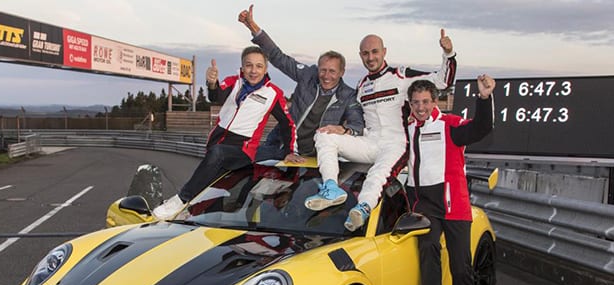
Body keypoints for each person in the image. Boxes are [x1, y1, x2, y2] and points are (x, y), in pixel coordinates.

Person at [305, 31, 457, 231]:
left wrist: (448, 53)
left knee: (377, 175)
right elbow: (355, 120)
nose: (370, 57)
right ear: (361, 56)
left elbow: (442, 82)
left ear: (384, 52)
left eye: (375, 52)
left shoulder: (401, 75)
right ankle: (331, 188)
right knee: (324, 134)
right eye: (365, 53)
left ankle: (363, 207)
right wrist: (343, 130)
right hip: (369, 142)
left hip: (396, 144)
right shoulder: (361, 85)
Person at [406, 76, 495, 285]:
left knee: (461, 271)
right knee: (428, 249)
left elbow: (481, 128)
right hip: (425, 206)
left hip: (454, 205)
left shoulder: (450, 125)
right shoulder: (406, 128)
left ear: (435, 102)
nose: (420, 107)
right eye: (415, 102)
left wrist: (484, 99)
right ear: (410, 104)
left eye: (425, 102)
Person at [153, 46, 296, 220]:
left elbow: (287, 123)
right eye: (249, 65)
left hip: (243, 150)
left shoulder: (273, 93)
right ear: (242, 67)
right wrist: (212, 83)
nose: (253, 70)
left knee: (218, 153)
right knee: (214, 194)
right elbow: (216, 97)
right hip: (217, 142)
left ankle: (182, 199)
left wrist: (290, 151)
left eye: (259, 66)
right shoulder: (233, 81)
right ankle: (198, 215)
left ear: (265, 69)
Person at [238, 5, 364, 162]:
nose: (326, 76)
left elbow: (357, 125)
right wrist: (252, 27)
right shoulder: (308, 75)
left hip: (313, 155)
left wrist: (344, 130)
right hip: (281, 145)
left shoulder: (348, 96)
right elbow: (278, 57)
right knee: (250, 177)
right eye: (322, 70)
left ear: (341, 72)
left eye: (332, 71)